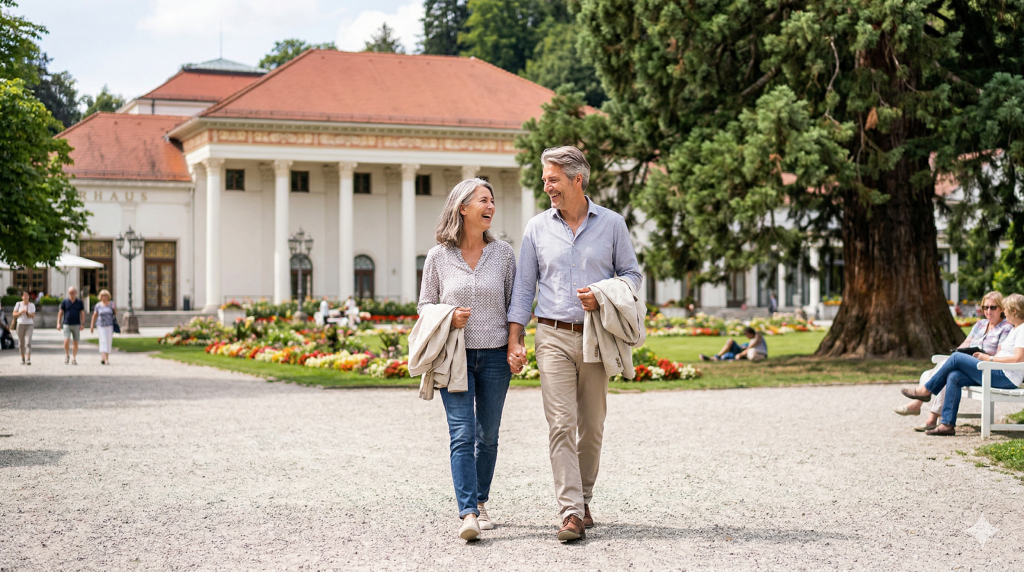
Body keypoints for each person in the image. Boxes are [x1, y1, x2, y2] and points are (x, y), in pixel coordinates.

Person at [507, 146, 643, 542]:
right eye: (545, 179)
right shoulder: (536, 228)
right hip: (551, 336)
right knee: (561, 425)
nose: (546, 185)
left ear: (577, 180)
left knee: (592, 426)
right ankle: (570, 511)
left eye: (553, 179)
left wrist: (602, 293)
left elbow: (632, 276)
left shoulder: (613, 224)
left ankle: (584, 498)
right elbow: (523, 288)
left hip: (596, 337)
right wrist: (515, 337)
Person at [418, 178, 517, 541]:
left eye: (492, 201)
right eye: (483, 201)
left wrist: (514, 344)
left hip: (494, 357)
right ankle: (469, 513)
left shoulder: (503, 254)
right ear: (462, 208)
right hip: (454, 355)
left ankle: (481, 498)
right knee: (461, 433)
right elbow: (424, 305)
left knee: (487, 435)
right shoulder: (437, 257)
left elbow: (514, 306)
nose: (490, 207)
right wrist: (448, 316)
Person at [902, 293, 1024, 436]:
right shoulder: (1016, 328)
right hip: (998, 371)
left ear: (1014, 311)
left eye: (1006, 309)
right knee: (954, 376)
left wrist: (989, 359)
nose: (1004, 312)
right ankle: (947, 424)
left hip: (1005, 376)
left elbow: (1019, 359)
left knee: (956, 358)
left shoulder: (1022, 329)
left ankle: (926, 390)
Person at [699, 326, 768, 361]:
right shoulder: (751, 340)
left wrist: (743, 352)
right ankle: (716, 357)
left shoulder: (758, 336)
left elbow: (753, 344)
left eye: (746, 335)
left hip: (743, 353)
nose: (746, 337)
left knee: (730, 344)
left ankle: (716, 357)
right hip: (742, 351)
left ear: (750, 333)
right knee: (728, 354)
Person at [57, 286, 86, 365]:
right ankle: (67, 355)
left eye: (73, 293)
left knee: (75, 342)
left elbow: (82, 313)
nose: (71, 294)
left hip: (76, 324)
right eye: (70, 293)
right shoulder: (65, 302)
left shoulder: (79, 302)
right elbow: (60, 312)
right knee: (66, 340)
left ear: (75, 293)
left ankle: (74, 358)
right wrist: (58, 323)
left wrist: (82, 323)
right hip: (67, 323)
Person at [89, 289, 116, 365]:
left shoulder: (111, 304)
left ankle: (106, 358)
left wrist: (114, 308)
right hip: (101, 325)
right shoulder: (98, 305)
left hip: (109, 325)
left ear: (108, 296)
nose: (104, 297)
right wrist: (92, 325)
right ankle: (103, 358)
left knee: (108, 341)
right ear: (100, 297)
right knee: (103, 341)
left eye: (106, 296)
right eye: (103, 296)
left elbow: (115, 313)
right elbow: (94, 315)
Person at [12, 291, 35, 365]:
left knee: (28, 342)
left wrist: (27, 313)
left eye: (27, 295)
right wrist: (20, 312)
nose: (26, 297)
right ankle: (22, 358)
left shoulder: (31, 305)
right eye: (24, 295)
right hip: (20, 324)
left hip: (29, 324)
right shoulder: (18, 304)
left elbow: (33, 316)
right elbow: (14, 314)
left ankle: (28, 359)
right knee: (21, 342)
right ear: (22, 297)